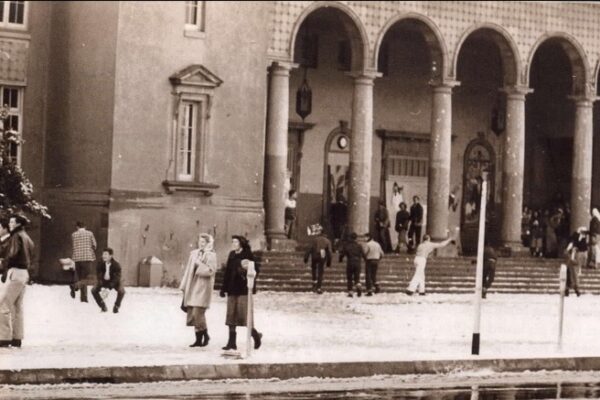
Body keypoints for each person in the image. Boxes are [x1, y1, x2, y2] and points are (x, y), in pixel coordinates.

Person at [219, 236, 262, 351]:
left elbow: (255, 270)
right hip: (232, 289)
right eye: (232, 241)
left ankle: (256, 336)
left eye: (236, 242)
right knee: (231, 316)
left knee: (245, 316)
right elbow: (227, 272)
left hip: (243, 289)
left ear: (241, 243)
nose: (233, 244)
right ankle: (231, 342)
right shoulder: (232, 254)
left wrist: (245, 270)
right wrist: (223, 288)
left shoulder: (248, 254)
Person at [0, 214, 35, 348]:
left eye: (12, 222)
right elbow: (31, 253)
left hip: (15, 271)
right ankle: (17, 337)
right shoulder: (26, 236)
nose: (10, 224)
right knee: (17, 306)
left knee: (3, 304)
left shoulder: (16, 236)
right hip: (24, 273)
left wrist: (4, 264)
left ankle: (3, 337)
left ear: (18, 224)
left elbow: (12, 253)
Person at [180, 233, 217, 348]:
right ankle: (199, 339)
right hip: (192, 286)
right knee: (193, 312)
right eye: (199, 241)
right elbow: (188, 270)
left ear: (208, 243)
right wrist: (184, 285)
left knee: (198, 312)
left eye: (203, 242)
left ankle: (204, 335)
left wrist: (199, 264)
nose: (200, 244)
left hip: (203, 286)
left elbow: (211, 271)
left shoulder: (211, 255)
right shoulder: (194, 254)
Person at [69, 221, 97, 303]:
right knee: (86, 278)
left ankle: (83, 298)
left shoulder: (73, 234)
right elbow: (94, 245)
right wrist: (90, 249)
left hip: (77, 259)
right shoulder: (90, 233)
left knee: (81, 277)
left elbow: (74, 246)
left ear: (77, 227)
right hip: (87, 258)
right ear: (85, 226)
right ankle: (76, 288)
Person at [91, 248, 125, 313]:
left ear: (111, 256)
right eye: (103, 254)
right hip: (103, 281)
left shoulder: (116, 265)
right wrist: (101, 284)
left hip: (114, 282)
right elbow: (99, 276)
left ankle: (116, 306)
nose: (104, 256)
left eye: (106, 254)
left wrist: (108, 288)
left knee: (121, 291)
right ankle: (102, 306)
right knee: (93, 290)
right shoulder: (100, 264)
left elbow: (116, 279)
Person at [303, 224, 332, 294]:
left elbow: (309, 249)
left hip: (315, 255)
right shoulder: (327, 241)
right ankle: (319, 287)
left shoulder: (314, 240)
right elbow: (329, 252)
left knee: (314, 268)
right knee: (321, 271)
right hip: (322, 255)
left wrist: (306, 257)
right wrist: (329, 261)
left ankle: (314, 280)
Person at [339, 232, 364, 298]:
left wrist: (340, 259)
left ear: (350, 238)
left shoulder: (347, 245)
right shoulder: (359, 246)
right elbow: (363, 254)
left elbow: (342, 254)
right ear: (356, 238)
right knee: (357, 277)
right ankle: (358, 285)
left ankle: (350, 292)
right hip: (357, 263)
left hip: (350, 262)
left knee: (349, 278)